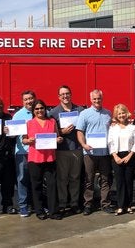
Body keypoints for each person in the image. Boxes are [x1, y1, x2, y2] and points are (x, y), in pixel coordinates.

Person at [22, 99, 63, 220]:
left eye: (41, 108)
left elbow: (57, 136)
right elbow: (24, 139)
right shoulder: (29, 123)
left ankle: (53, 211)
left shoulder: (52, 121)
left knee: (52, 185)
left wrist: (59, 140)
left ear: (45, 109)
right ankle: (39, 210)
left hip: (50, 158)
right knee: (36, 185)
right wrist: (28, 141)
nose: (39, 111)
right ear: (33, 111)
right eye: (37, 109)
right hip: (35, 158)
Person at [77, 89, 114, 215]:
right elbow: (80, 132)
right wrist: (83, 145)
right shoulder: (84, 114)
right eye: (94, 99)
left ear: (102, 98)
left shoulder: (108, 113)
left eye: (99, 98)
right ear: (90, 99)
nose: (97, 101)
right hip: (90, 153)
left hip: (104, 153)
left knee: (105, 179)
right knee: (89, 180)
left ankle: (105, 204)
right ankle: (88, 204)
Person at [48, 85, 84, 216]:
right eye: (62, 94)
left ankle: (74, 203)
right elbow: (49, 132)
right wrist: (61, 132)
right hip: (62, 150)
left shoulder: (80, 110)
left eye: (67, 93)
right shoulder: (53, 112)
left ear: (71, 94)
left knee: (75, 177)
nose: (65, 96)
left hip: (77, 149)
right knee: (62, 178)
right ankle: (62, 203)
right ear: (59, 97)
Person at [108, 104, 135, 215]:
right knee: (119, 182)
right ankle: (120, 206)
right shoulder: (113, 128)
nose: (121, 115)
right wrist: (115, 156)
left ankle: (129, 205)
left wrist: (129, 156)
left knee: (129, 181)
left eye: (123, 113)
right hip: (116, 156)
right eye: (119, 114)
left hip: (129, 156)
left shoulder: (132, 127)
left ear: (126, 113)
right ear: (116, 115)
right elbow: (110, 143)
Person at [11, 90, 36, 217]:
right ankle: (23, 206)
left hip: (38, 152)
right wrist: (8, 130)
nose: (29, 101)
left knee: (36, 179)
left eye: (30, 98)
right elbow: (13, 134)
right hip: (22, 152)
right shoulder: (18, 115)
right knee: (22, 179)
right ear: (22, 101)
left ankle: (36, 205)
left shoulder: (40, 112)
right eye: (26, 99)